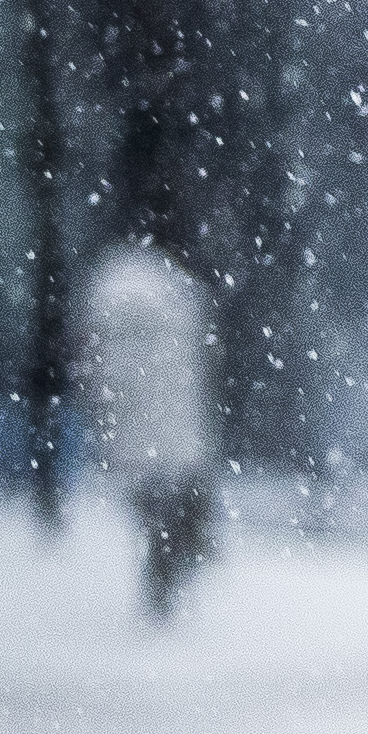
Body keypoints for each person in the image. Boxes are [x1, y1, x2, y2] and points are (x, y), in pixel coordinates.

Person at [79, 236, 220, 625]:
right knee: (170, 505)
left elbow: (100, 379)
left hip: (139, 437)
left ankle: (161, 575)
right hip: (174, 435)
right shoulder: (174, 299)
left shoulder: (113, 298)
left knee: (153, 508)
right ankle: (168, 572)